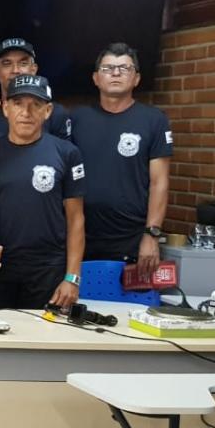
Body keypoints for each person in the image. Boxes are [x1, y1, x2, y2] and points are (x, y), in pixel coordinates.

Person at [0, 75, 85, 310]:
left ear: (48, 111)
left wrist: (72, 277)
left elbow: (76, 219)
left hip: (48, 268)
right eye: (18, 103)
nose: (26, 112)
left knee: (44, 340)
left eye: (35, 104)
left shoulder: (67, 153)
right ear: (5, 108)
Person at [72, 42, 172, 275]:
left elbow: (160, 183)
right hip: (79, 236)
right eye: (108, 68)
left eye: (124, 68)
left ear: (136, 78)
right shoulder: (77, 119)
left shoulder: (154, 120)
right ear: (96, 78)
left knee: (131, 311)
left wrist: (152, 235)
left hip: (131, 239)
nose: (116, 73)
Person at [0, 38, 72, 139]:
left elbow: (66, 152)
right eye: (7, 63)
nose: (15, 70)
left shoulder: (55, 114)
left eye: (23, 63)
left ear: (33, 69)